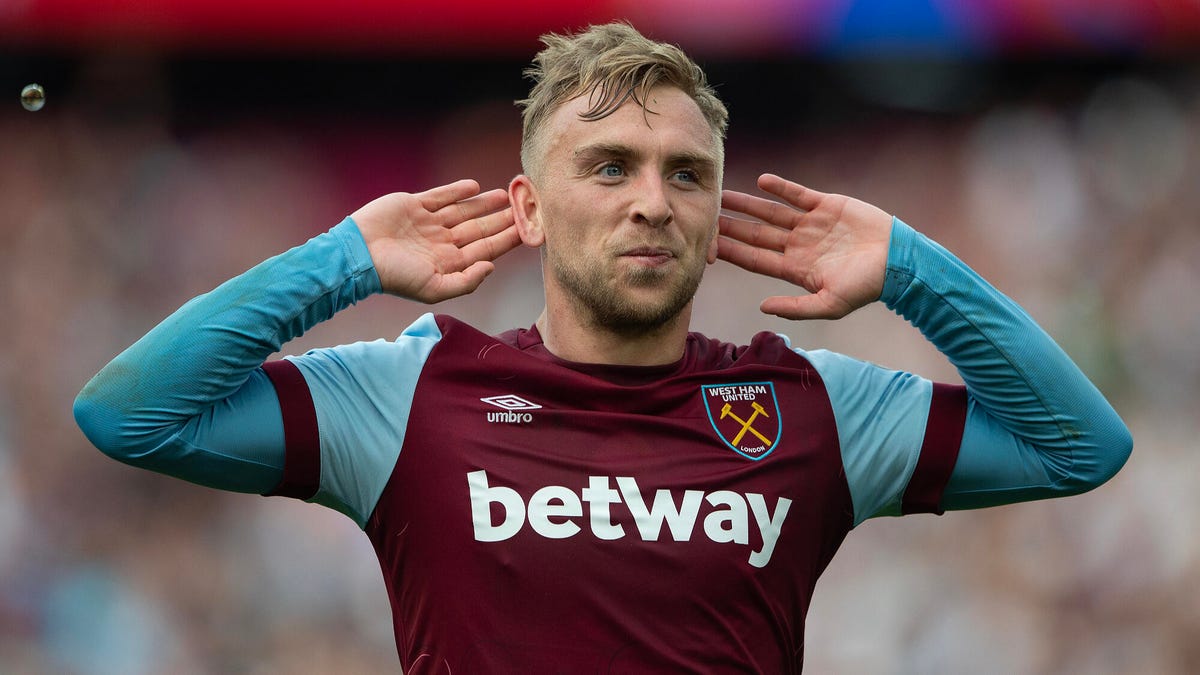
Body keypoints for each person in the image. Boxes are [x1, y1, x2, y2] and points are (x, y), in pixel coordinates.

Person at [74, 22, 1132, 673]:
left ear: (716, 216)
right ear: (530, 208)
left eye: (686, 174)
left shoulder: (810, 407)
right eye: (610, 166)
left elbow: (1076, 448)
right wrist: (338, 262)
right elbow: (128, 415)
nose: (651, 204)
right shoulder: (411, 392)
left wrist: (915, 271)